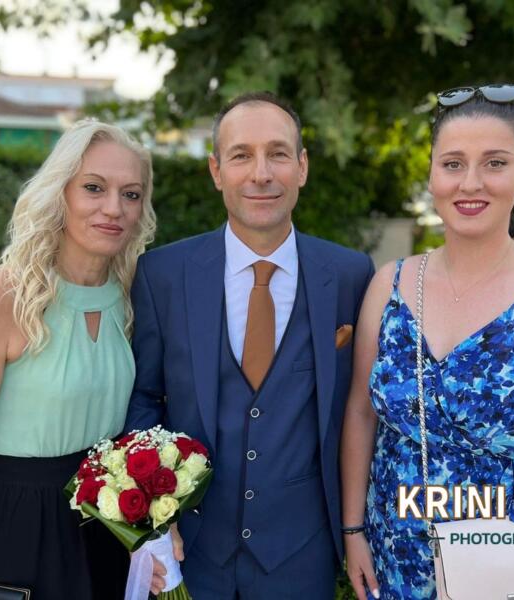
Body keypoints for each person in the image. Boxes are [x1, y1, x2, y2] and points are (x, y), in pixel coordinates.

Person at [341, 85, 514, 600]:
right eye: (453, 163)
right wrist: (353, 530)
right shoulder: (391, 284)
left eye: (494, 163)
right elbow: (362, 414)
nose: (470, 182)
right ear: (432, 174)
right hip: (396, 562)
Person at [125, 91, 375, 599]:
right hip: (190, 553)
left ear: (302, 167)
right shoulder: (162, 275)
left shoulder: (351, 275)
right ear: (216, 171)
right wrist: (153, 519)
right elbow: (143, 399)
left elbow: (361, 410)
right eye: (241, 155)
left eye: (278, 154)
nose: (261, 174)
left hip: (303, 556)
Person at [0, 120, 166, 600]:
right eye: (93, 188)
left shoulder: (136, 296)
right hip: (16, 530)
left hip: (107, 530)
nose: (114, 208)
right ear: (60, 192)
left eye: (131, 194)